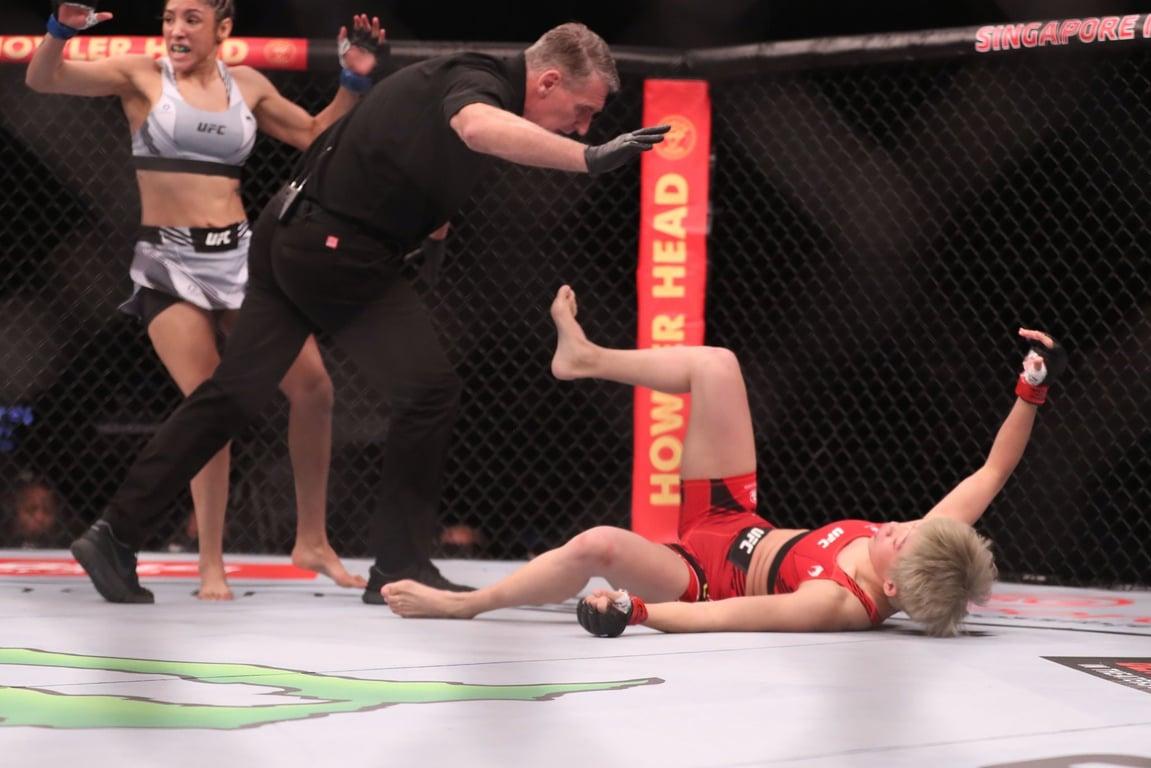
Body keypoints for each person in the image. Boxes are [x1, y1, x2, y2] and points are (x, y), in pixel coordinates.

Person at [65, 23, 671, 605]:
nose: (585, 123)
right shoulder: (479, 85)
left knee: (230, 394)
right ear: (547, 83)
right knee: (429, 390)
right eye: (584, 110)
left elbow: (424, 162)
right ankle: (399, 565)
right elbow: (477, 129)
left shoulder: (465, 84)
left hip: (293, 234)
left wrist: (432, 239)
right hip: (333, 247)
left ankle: (114, 533)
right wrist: (588, 158)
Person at [381, 285, 1066, 638]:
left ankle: (464, 607)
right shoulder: (925, 547)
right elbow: (991, 473)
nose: (894, 527)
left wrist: (635, 610)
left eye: (898, 540)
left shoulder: (834, 604)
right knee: (716, 366)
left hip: (701, 578)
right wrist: (1029, 389)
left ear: (891, 592)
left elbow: (721, 619)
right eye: (908, 528)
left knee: (594, 543)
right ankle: (584, 358)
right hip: (731, 515)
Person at [26, 1, 387, 599]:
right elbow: (44, 78)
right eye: (169, 18)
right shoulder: (140, 75)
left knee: (315, 387)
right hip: (168, 261)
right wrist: (60, 32)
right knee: (208, 406)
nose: (175, 30)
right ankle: (210, 563)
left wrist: (352, 82)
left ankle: (313, 539)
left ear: (222, 30)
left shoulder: (247, 85)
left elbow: (315, 135)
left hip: (241, 256)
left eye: (191, 19)